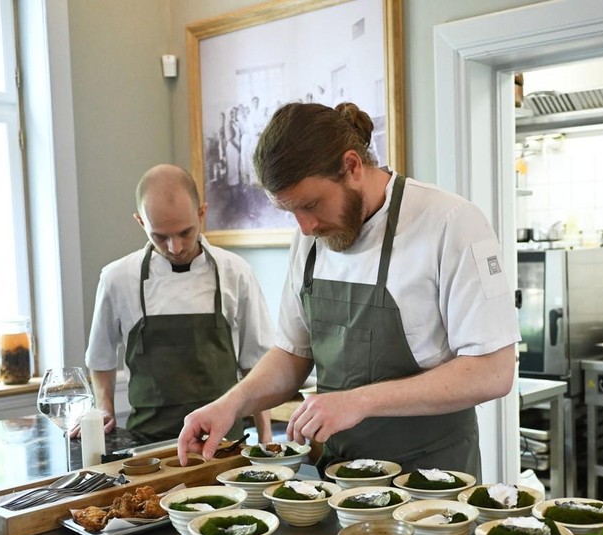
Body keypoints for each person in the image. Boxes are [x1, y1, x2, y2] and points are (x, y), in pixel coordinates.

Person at [178, 102, 520, 477]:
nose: (305, 227)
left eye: (311, 204)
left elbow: (493, 371)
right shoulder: (309, 239)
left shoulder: (451, 223)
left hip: (432, 481)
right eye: (291, 212)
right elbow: (292, 354)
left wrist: (360, 401)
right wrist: (230, 405)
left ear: (353, 166)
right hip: (339, 478)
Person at [84, 164, 274, 444]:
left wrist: (266, 438)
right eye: (160, 236)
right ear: (141, 222)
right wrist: (104, 410)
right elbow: (101, 358)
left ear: (201, 213)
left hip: (225, 445)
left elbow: (255, 363)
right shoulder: (117, 278)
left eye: (185, 232)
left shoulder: (236, 272)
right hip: (147, 448)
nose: (176, 247)